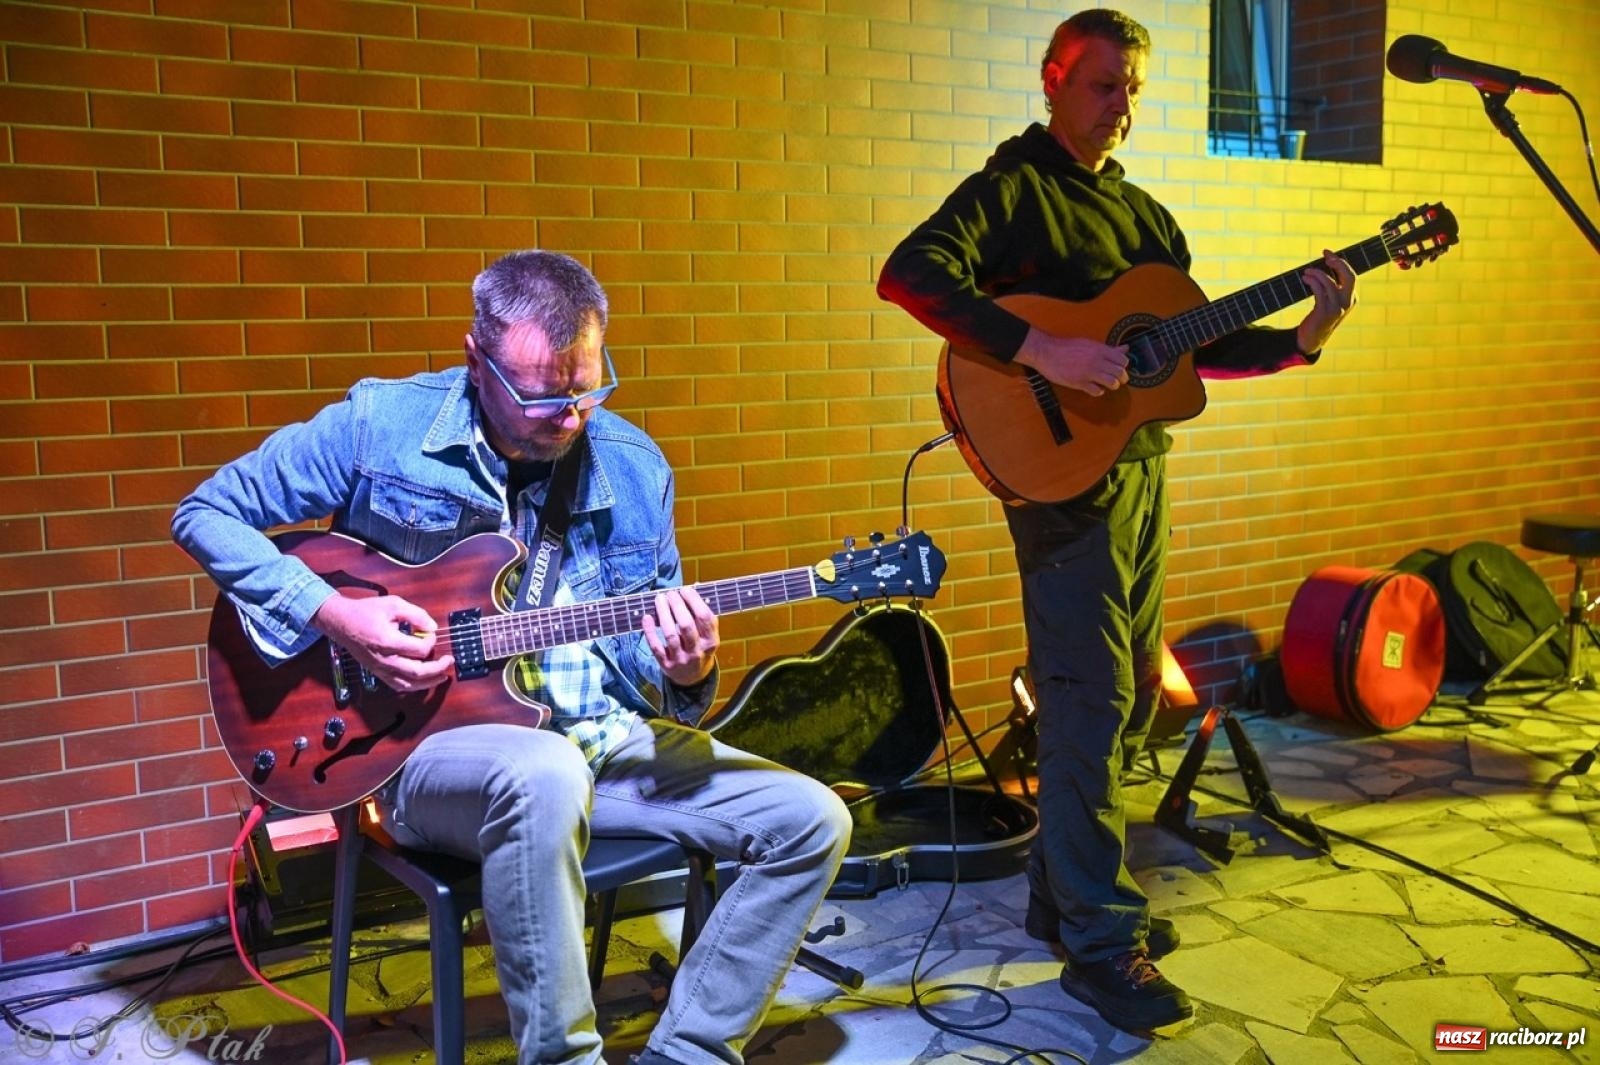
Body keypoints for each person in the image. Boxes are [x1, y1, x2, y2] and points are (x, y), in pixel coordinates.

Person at [173, 250, 852, 1065]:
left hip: (599, 740)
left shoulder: (635, 470)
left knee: (812, 819)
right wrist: (337, 614)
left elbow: (655, 685)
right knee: (543, 771)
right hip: (421, 755)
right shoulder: (381, 425)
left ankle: (690, 1053)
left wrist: (685, 671)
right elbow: (207, 512)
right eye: (541, 393)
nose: (568, 415)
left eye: (587, 389)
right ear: (476, 360)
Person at [876, 9, 1355, 1033]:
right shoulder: (1010, 189)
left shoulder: (1143, 218)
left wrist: (1305, 335)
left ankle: (1065, 894)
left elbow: (1186, 353)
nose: (1121, 106)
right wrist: (1042, 352)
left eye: (1132, 88)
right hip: (1059, 485)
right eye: (1103, 86)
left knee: (1131, 697)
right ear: (1054, 82)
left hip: (1139, 474)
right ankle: (1101, 945)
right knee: (1088, 709)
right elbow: (909, 274)